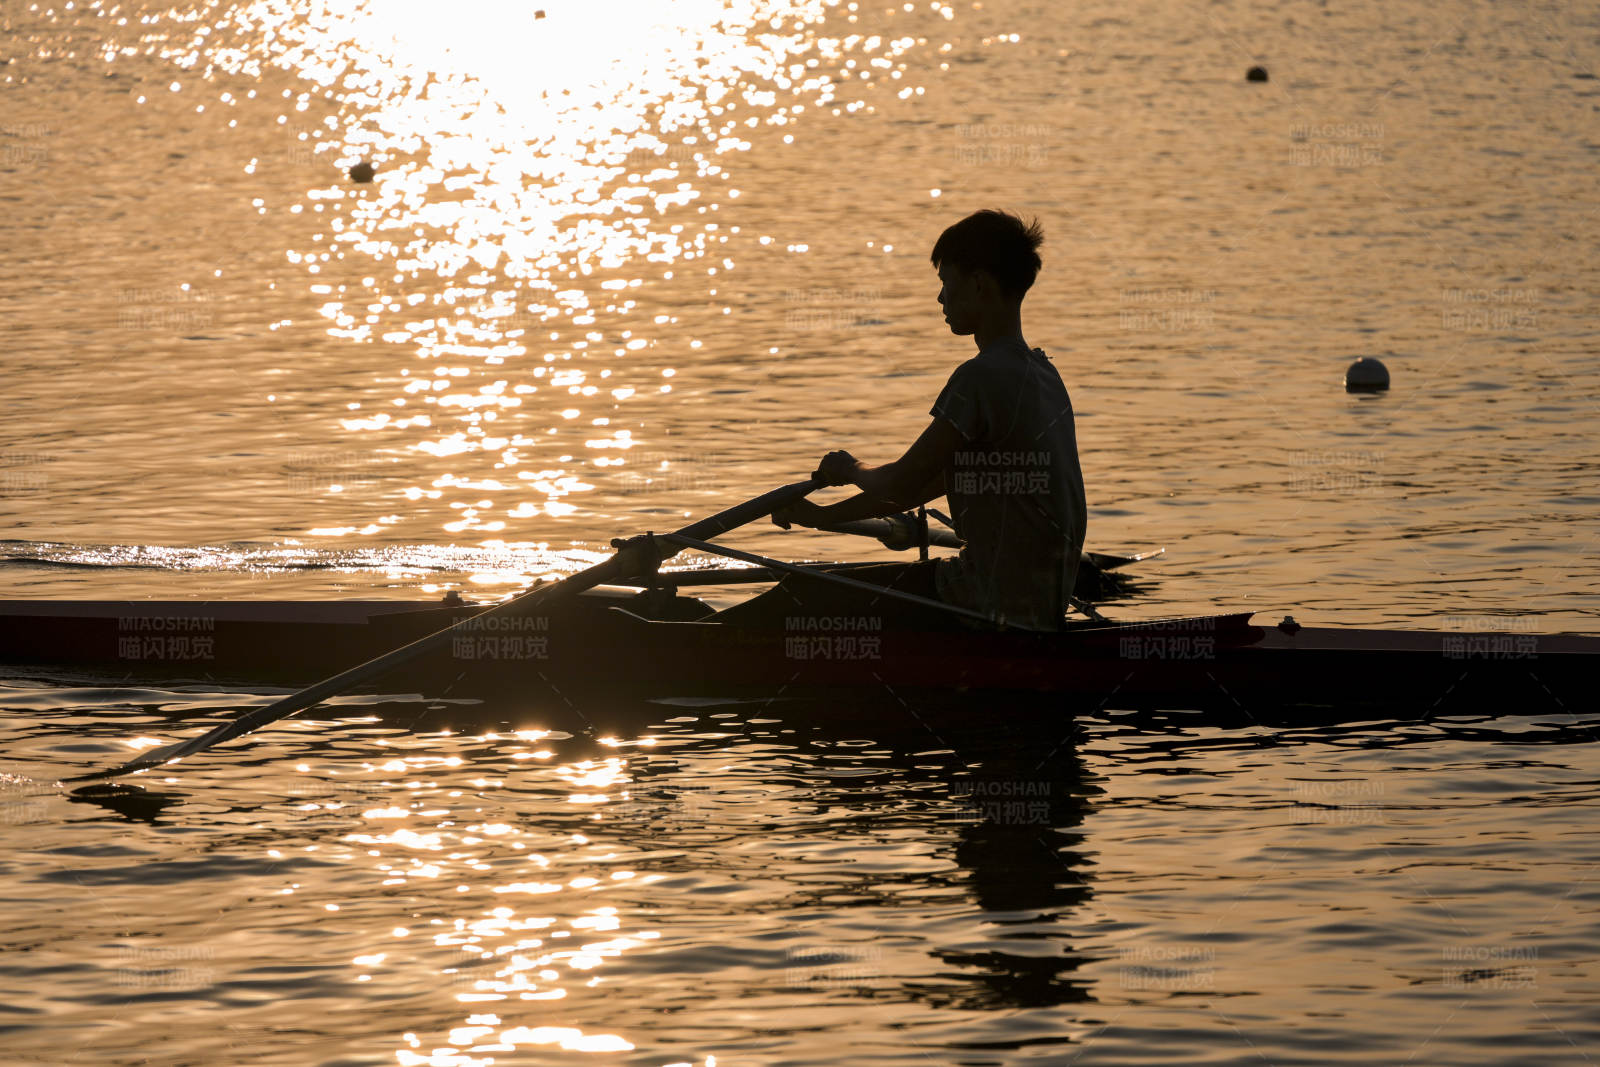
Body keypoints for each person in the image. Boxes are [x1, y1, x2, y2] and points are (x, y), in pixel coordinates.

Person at [724, 209, 1087, 631]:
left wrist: (849, 468)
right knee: (818, 592)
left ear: (979, 284)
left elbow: (897, 482)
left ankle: (695, 646)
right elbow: (916, 488)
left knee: (802, 593)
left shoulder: (980, 378)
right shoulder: (1044, 374)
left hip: (984, 600)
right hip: (1038, 605)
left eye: (946, 283)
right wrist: (820, 517)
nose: (940, 299)